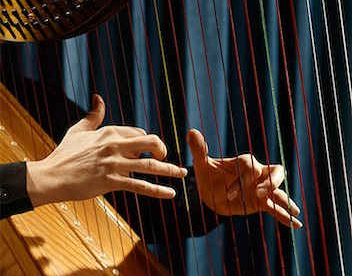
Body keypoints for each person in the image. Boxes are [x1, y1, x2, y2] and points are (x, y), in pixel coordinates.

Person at [0, 94, 302, 230]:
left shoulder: (34, 104)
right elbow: (56, 177)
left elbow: (127, 205)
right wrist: (38, 179)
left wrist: (203, 201)